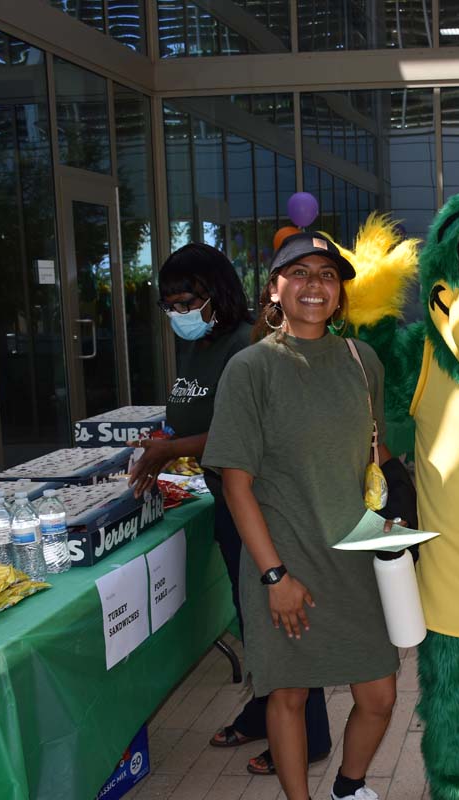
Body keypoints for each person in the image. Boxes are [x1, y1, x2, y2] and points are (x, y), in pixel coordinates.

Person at [202, 232, 400, 800]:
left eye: (328, 276)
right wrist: (273, 576)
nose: (316, 285)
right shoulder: (251, 369)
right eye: (301, 273)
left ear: (340, 293)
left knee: (380, 695)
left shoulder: (364, 362)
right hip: (284, 562)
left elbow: (375, 454)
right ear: (275, 288)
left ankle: (348, 788)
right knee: (287, 695)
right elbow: (235, 483)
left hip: (355, 561)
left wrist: (402, 512)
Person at [128, 242, 331, 777]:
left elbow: (247, 428)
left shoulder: (250, 343)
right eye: (169, 302)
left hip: (262, 505)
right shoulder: (201, 346)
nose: (178, 311)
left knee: (285, 622)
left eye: (186, 299)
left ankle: (308, 735)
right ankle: (268, 710)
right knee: (253, 620)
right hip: (224, 498)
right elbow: (197, 414)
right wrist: (168, 436)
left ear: (216, 293)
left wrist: (172, 449)